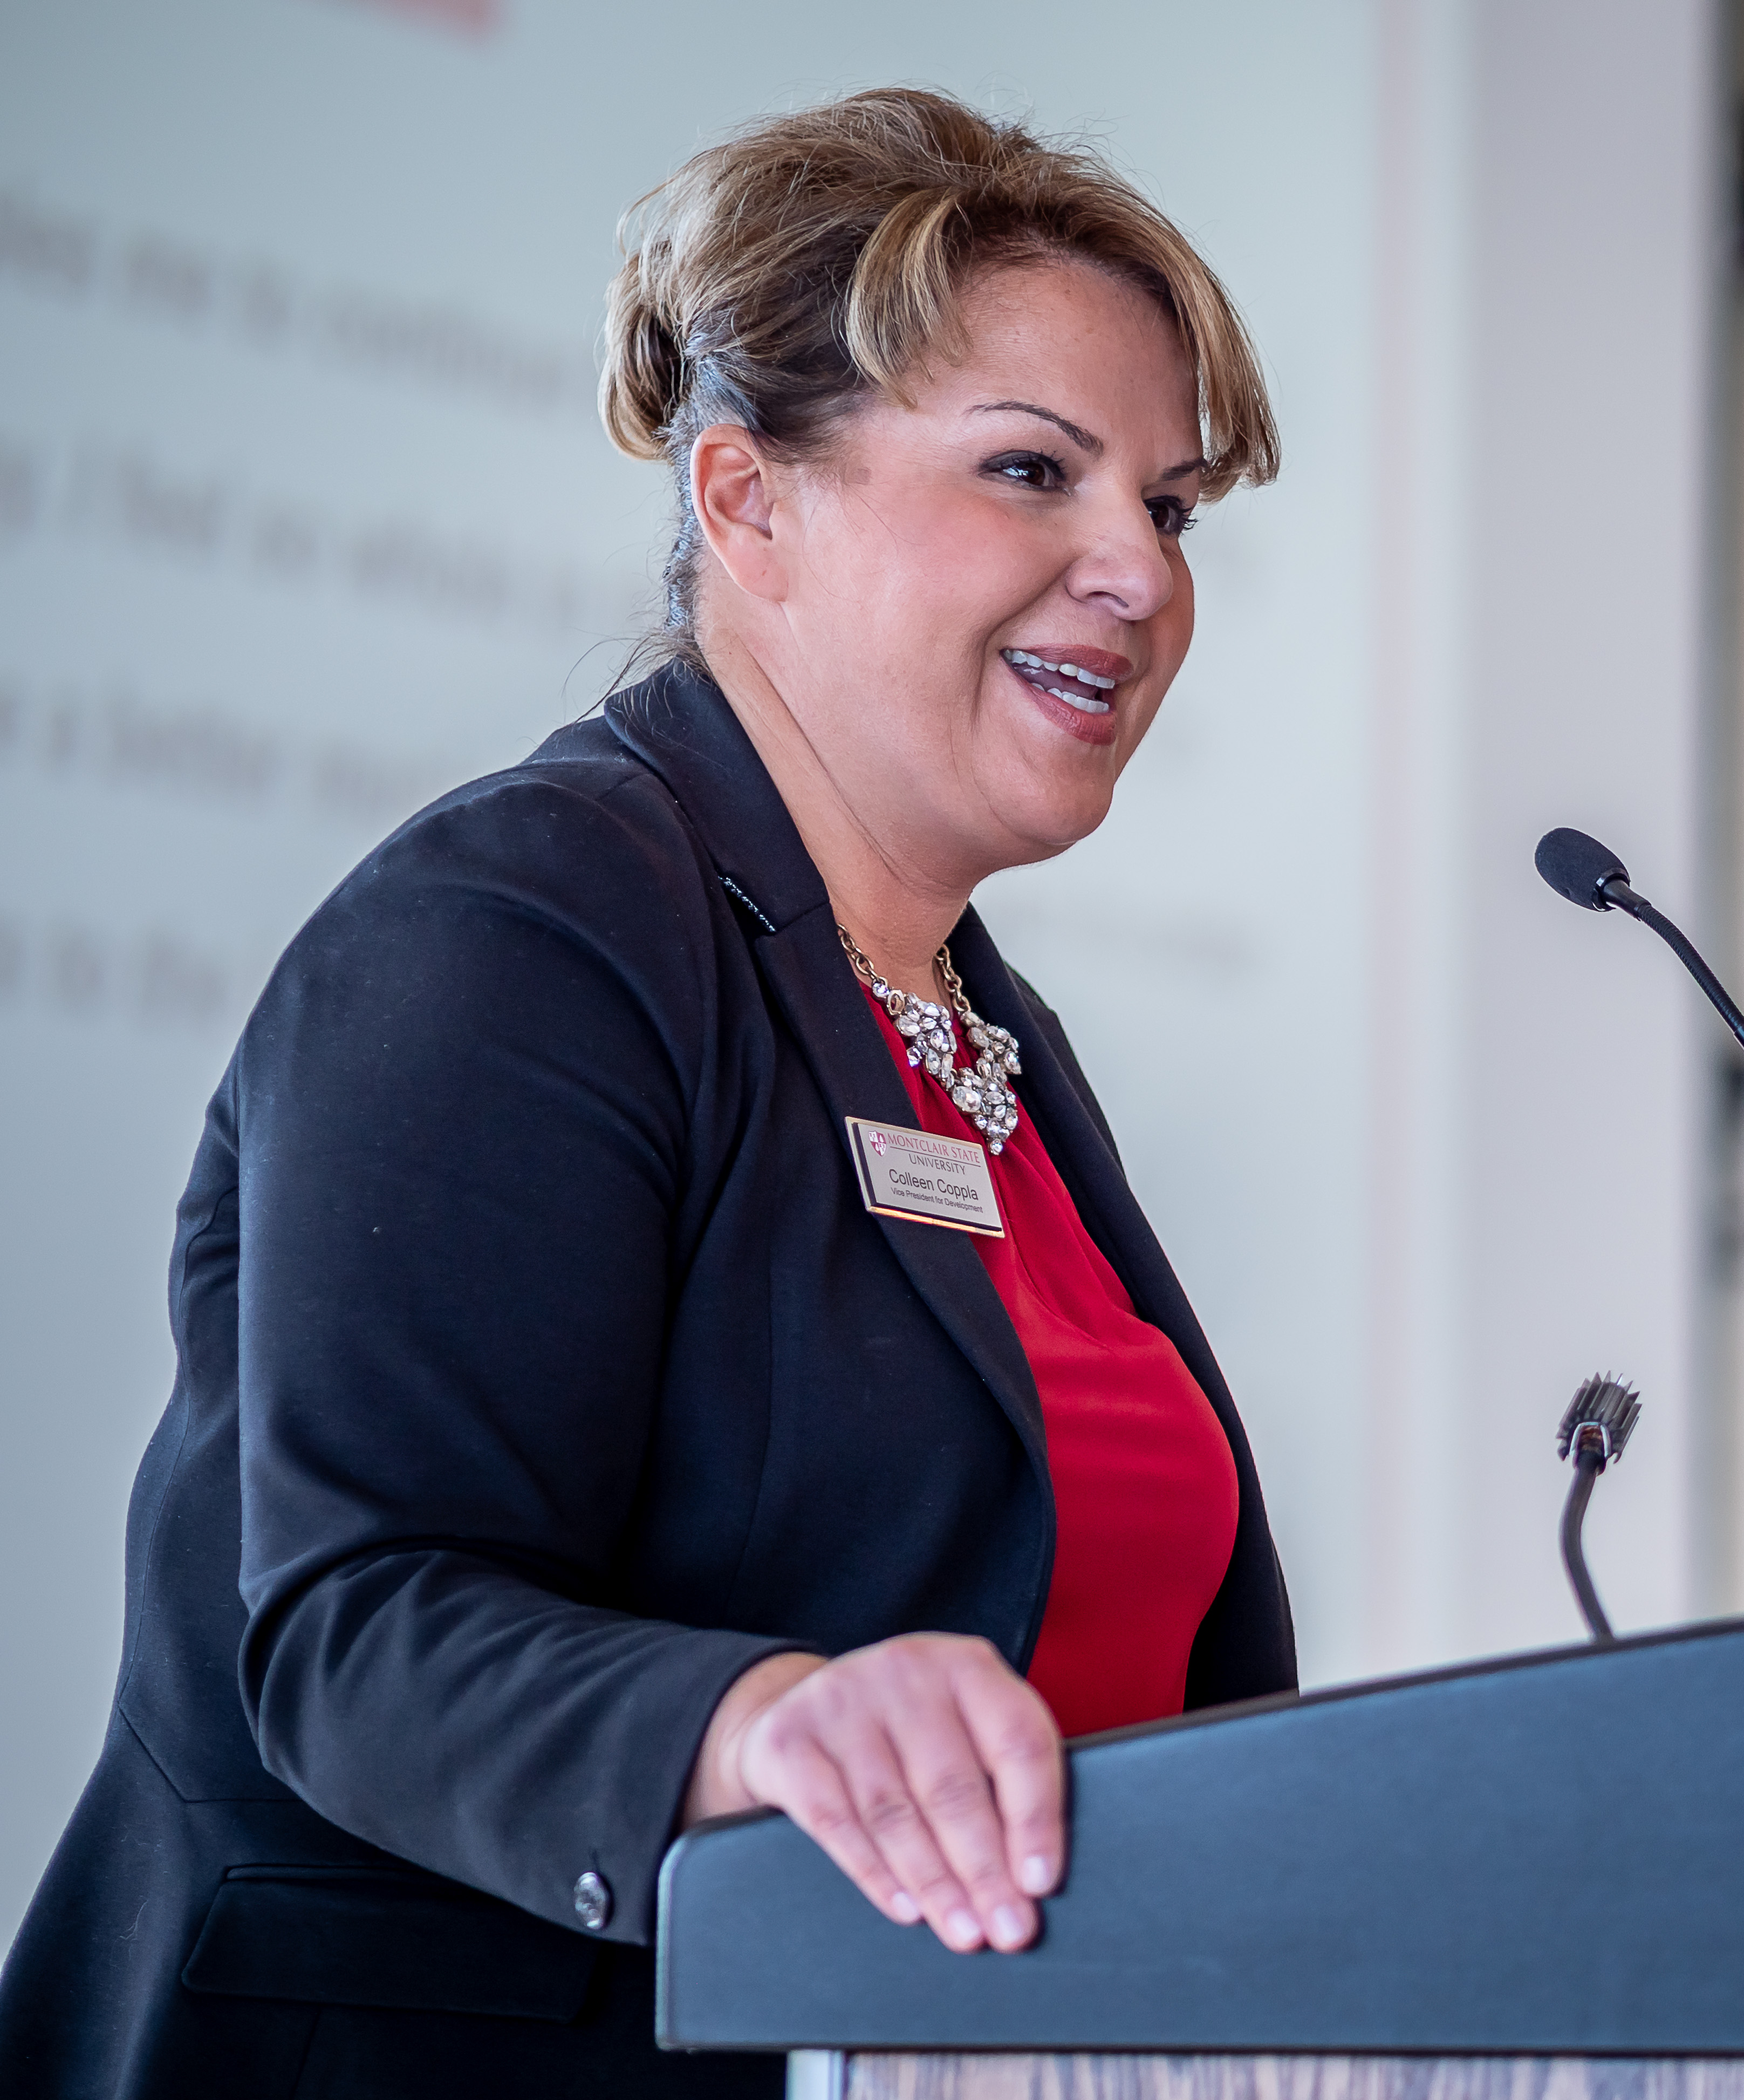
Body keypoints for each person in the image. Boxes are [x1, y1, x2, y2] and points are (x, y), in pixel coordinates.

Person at [0, 87, 1292, 2098]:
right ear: (745, 501)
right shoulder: (520, 924)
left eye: (1174, 504)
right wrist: (759, 1721)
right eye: (1034, 470)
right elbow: (362, 1627)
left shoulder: (973, 1028)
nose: (1136, 568)